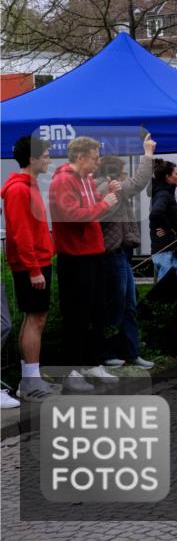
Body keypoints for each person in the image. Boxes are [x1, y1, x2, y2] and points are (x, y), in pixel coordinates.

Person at [49, 136, 120, 390]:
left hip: (92, 254)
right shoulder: (63, 180)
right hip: (75, 258)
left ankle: (93, 362)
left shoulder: (87, 180)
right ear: (80, 158)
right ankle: (71, 370)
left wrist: (109, 196)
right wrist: (104, 203)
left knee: (96, 311)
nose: (97, 162)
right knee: (77, 315)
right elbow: (72, 217)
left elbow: (91, 212)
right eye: (94, 157)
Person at [2, 136, 59, 401]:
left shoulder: (29, 186)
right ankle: (30, 383)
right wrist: (33, 268)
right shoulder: (19, 190)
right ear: (33, 158)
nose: (49, 158)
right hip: (31, 265)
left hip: (37, 261)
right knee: (35, 319)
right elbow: (20, 234)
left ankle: (32, 379)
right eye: (46, 154)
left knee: (37, 318)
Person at [96, 133, 156, 369]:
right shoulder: (107, 187)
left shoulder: (111, 186)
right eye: (122, 173)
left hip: (122, 254)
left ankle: (131, 352)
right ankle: (109, 352)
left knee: (129, 305)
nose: (124, 177)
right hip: (113, 255)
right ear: (112, 174)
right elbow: (139, 182)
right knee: (118, 304)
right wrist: (148, 154)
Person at [149, 159, 177, 282]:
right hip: (165, 251)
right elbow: (156, 213)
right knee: (165, 289)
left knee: (176, 286)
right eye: (176, 174)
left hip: (171, 250)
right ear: (167, 177)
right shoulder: (163, 193)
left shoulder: (166, 192)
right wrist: (170, 229)